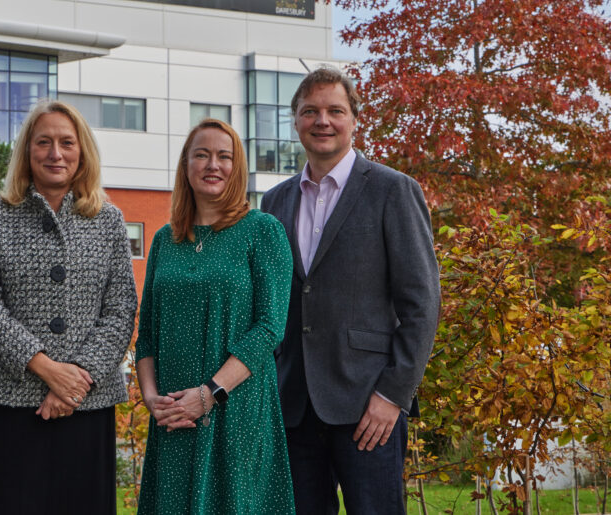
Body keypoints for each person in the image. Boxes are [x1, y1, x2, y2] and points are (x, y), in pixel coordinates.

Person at [261, 66, 440, 514]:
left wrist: (393, 395)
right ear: (295, 121)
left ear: (355, 120)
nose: (322, 120)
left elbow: (422, 303)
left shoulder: (393, 190)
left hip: (368, 407)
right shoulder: (274, 201)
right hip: (294, 406)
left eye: (334, 110)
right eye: (310, 111)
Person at [0, 99, 137, 515]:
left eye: (66, 142)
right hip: (14, 400)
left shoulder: (108, 220)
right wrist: (46, 368)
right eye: (43, 142)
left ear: (82, 152)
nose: (55, 153)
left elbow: (121, 309)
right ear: (27, 151)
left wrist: (77, 379)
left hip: (87, 402)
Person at [135, 118, 294, 515]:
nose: (213, 164)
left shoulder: (263, 230)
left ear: (236, 167)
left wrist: (209, 394)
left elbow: (270, 327)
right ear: (186, 166)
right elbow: (148, 333)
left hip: (236, 410)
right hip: (175, 416)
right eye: (201, 155)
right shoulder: (164, 239)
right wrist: (152, 398)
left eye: (224, 156)